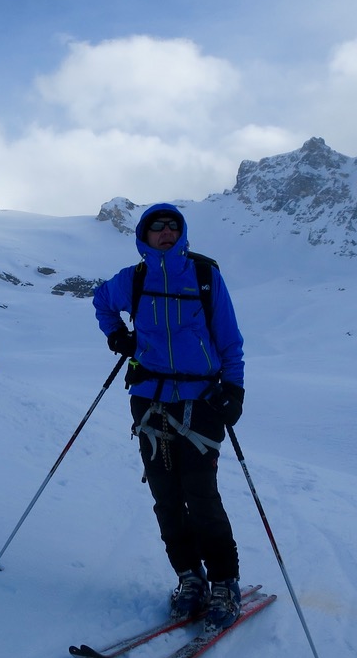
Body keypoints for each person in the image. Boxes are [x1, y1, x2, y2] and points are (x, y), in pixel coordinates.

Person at [93, 203, 246, 628]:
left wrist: (235, 388)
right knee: (165, 494)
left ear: (182, 234)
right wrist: (116, 334)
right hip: (149, 398)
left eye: (172, 226)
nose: (165, 232)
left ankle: (224, 582)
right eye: (156, 226)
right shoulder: (134, 279)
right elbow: (101, 300)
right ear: (144, 234)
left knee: (200, 492)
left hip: (202, 399)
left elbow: (230, 339)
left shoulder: (203, 276)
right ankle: (189, 577)